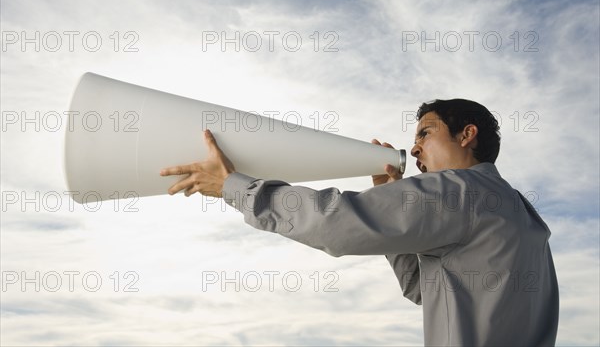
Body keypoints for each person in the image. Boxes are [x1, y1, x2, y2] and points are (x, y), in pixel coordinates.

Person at [160, 98, 559, 346]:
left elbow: (335, 223)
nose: (415, 146)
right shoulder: (521, 212)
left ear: (467, 135)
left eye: (426, 132)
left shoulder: (456, 189)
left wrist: (234, 186)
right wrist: (395, 201)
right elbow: (427, 289)